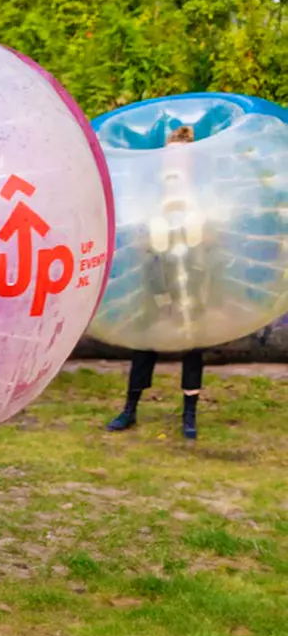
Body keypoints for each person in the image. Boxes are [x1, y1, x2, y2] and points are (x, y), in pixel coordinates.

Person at [105, 125, 205, 441]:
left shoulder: (205, 192)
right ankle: (130, 409)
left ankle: (189, 414)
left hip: (193, 274)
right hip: (155, 272)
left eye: (182, 156)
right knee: (145, 341)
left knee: (192, 342)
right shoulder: (154, 190)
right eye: (170, 156)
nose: (175, 163)